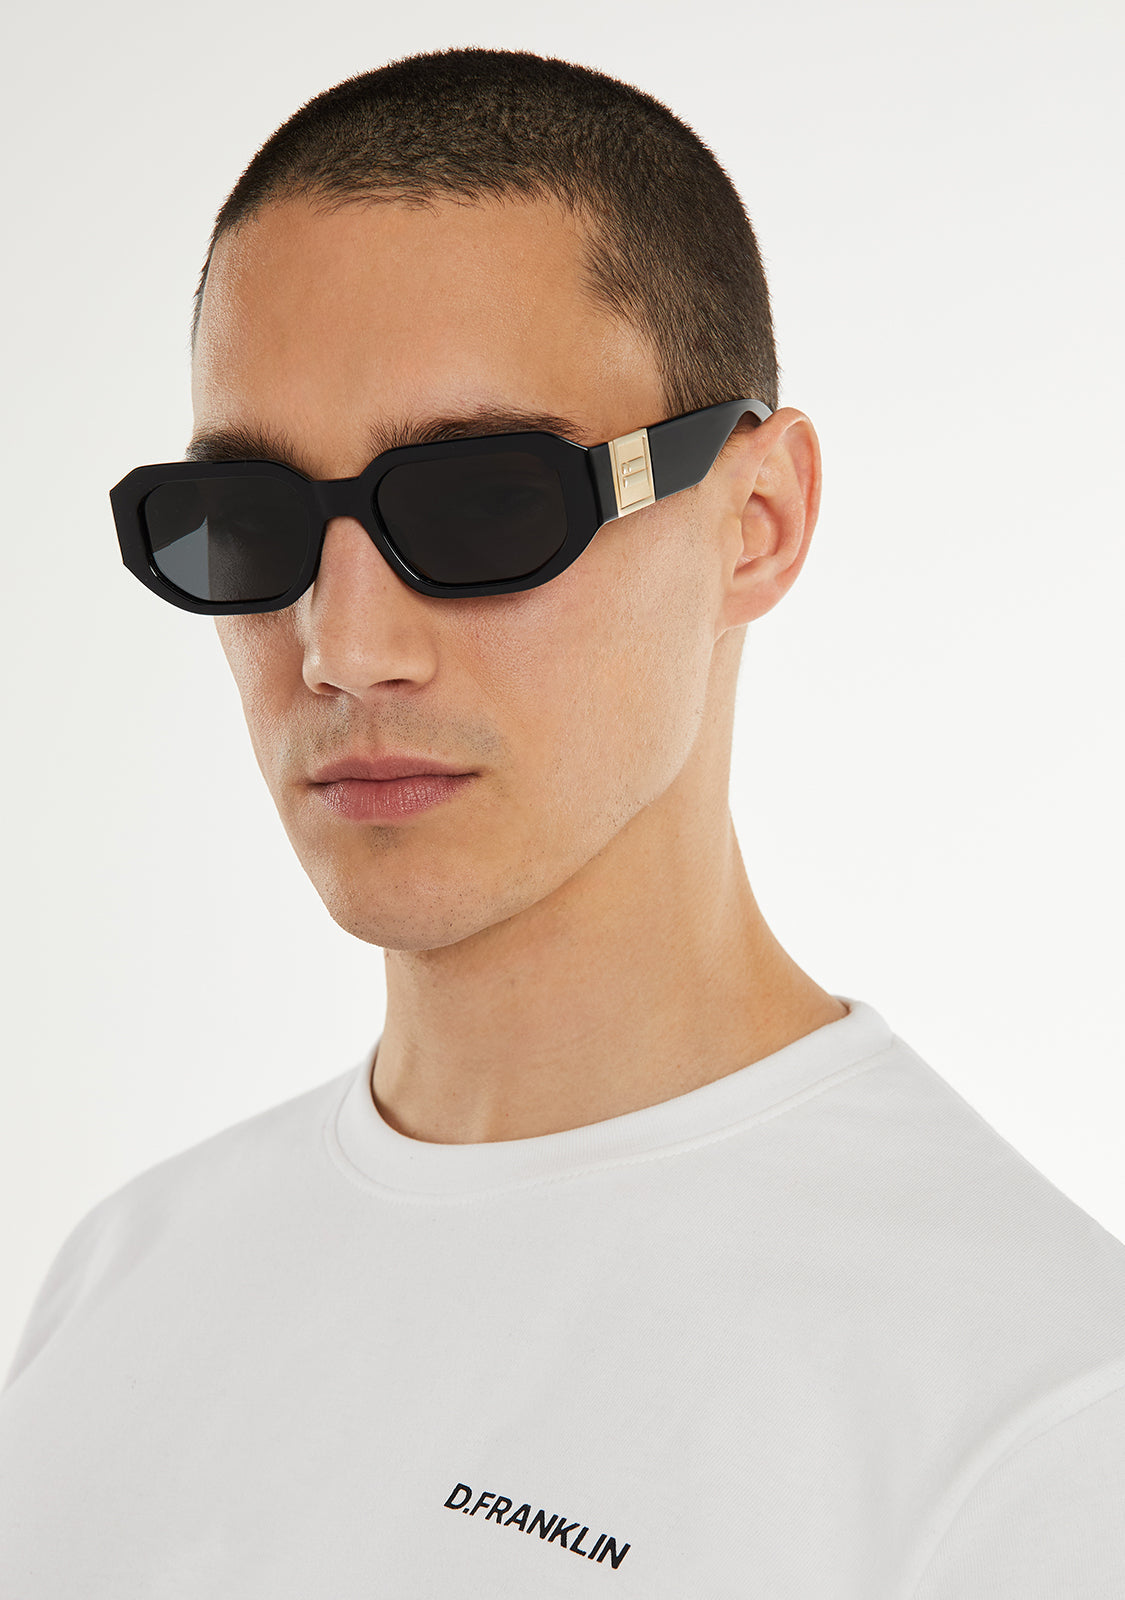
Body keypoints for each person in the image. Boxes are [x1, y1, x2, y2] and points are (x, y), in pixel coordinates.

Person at [2, 46, 1123, 1597]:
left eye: (481, 504)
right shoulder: (122, 1279)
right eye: (246, 525)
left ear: (755, 521)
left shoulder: (1035, 1421)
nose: (344, 648)